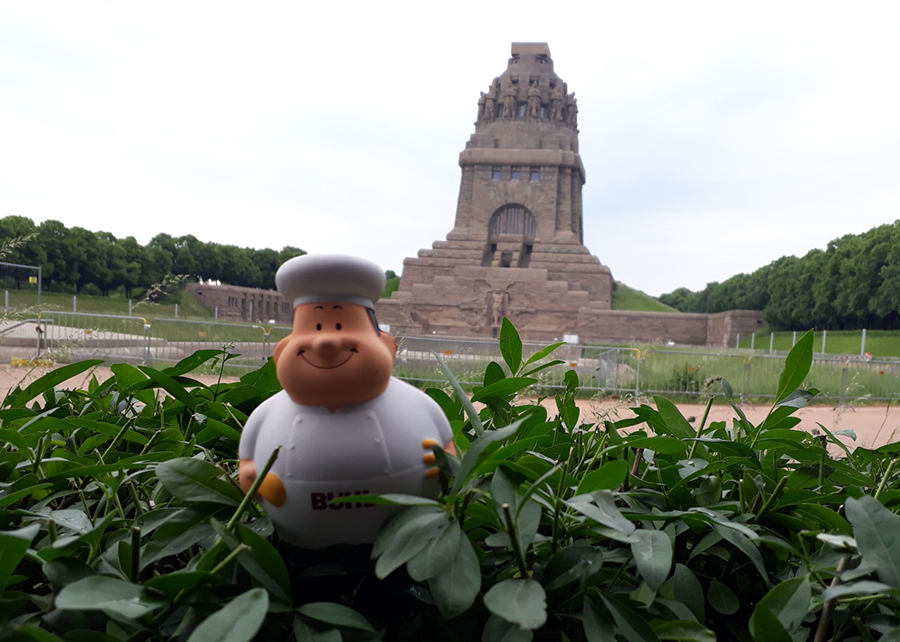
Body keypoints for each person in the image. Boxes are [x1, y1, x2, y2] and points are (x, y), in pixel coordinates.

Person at [239, 254, 456, 549]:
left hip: (402, 540)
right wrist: (251, 474)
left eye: (341, 325)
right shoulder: (269, 414)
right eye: (315, 327)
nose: (325, 343)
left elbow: (449, 448)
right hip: (299, 540)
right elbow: (248, 463)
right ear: (281, 352)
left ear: (387, 348)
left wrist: (446, 459)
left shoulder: (417, 406)